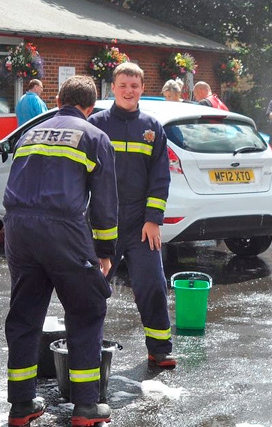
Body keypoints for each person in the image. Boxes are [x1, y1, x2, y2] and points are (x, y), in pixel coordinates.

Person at [4, 75, 118, 427]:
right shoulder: (94, 136)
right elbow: (104, 203)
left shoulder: (30, 132)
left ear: (57, 99)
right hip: (62, 228)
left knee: (24, 314)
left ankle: (21, 405)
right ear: (91, 106)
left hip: (18, 229)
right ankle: (85, 407)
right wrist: (104, 250)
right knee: (86, 309)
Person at [88, 62, 176, 370]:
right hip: (102, 225)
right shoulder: (96, 124)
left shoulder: (152, 128)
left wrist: (153, 219)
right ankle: (85, 352)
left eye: (135, 86)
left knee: (152, 284)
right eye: (123, 85)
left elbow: (160, 177)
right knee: (90, 290)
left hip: (141, 226)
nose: (129, 91)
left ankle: (160, 349)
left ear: (142, 89)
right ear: (112, 88)